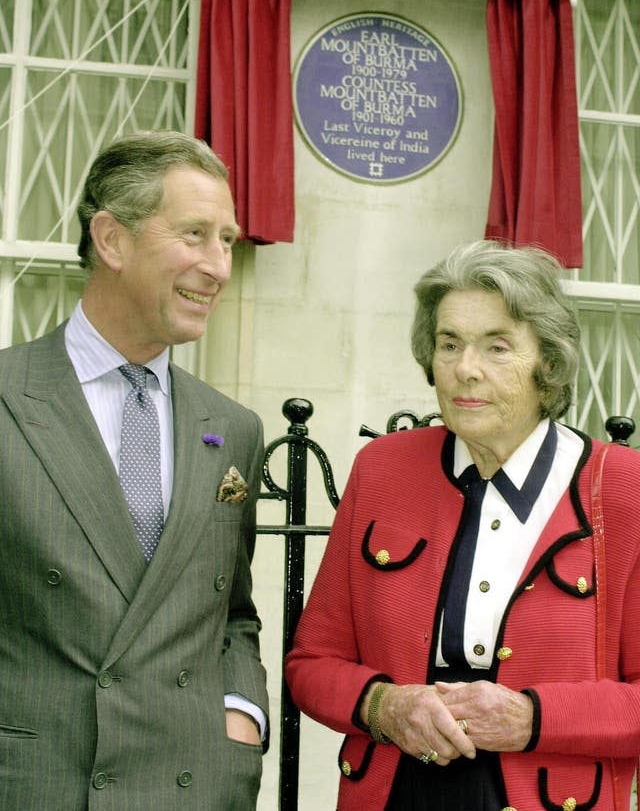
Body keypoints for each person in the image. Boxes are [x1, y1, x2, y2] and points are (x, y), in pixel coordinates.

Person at [286, 239, 640, 810]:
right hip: (396, 788)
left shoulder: (625, 487)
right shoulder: (382, 469)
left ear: (548, 361)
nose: (465, 369)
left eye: (497, 347)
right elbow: (311, 664)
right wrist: (385, 707)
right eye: (449, 344)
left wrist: (530, 718)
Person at [0, 130, 268, 810]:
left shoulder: (233, 428)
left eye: (226, 240)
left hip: (190, 786)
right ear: (111, 240)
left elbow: (232, 611)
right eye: (195, 234)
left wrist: (241, 718)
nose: (218, 266)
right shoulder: (8, 395)